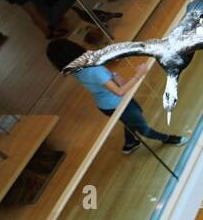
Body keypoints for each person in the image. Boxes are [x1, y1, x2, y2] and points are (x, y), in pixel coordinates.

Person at [47, 39, 185, 154]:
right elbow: (119, 92)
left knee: (132, 120)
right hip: (117, 103)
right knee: (143, 128)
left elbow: (100, 65)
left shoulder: (77, 69)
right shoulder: (92, 70)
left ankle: (130, 144)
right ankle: (167, 139)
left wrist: (114, 73)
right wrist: (139, 74)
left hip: (107, 105)